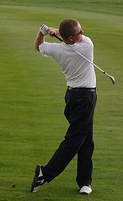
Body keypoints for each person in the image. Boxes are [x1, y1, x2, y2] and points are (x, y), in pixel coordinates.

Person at [30, 19, 97, 195]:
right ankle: (46, 172)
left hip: (71, 97)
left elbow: (38, 46)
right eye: (79, 32)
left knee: (86, 139)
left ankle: (85, 181)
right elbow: (68, 36)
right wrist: (55, 31)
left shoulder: (57, 49)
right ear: (72, 38)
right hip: (85, 98)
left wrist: (43, 32)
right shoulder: (86, 46)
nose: (83, 34)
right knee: (75, 139)